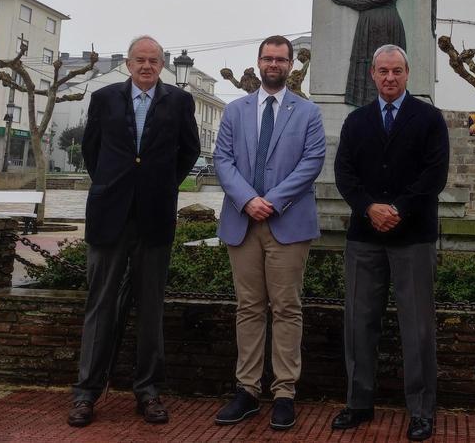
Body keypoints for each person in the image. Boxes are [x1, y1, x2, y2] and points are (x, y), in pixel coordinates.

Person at [67, 35, 200, 428]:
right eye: (139, 60)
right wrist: (114, 184)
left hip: (155, 216)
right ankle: (86, 393)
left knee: (150, 308)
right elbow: (92, 152)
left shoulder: (179, 102)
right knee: (100, 304)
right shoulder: (105, 98)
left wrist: (161, 185)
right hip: (110, 215)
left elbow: (188, 152)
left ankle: (149, 391)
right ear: (128, 64)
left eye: (153, 60)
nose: (146, 66)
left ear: (162, 65)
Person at [332, 45, 449, 441]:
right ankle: (359, 402)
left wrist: (397, 209)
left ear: (407, 73)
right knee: (358, 324)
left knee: (417, 328)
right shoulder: (356, 121)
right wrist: (370, 208)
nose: (389, 78)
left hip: (413, 237)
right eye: (382, 71)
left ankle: (420, 410)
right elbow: (344, 173)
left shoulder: (429, 119)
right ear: (372, 74)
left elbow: (435, 175)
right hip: (364, 237)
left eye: (396, 71)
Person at [212, 35, 327, 430]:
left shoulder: (308, 112)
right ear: (258, 62)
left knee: (287, 308)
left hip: (287, 223)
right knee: (248, 308)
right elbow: (222, 160)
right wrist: (248, 200)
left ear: (291, 65)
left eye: (280, 59)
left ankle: (284, 392)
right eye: (267, 58)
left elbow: (312, 161)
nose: (273, 64)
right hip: (242, 222)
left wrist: (272, 201)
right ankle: (246, 390)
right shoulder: (234, 111)